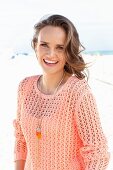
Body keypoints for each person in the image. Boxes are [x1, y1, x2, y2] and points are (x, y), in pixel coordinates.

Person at [13, 14, 110, 170]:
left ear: (69, 51)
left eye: (60, 47)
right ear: (35, 45)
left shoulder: (78, 92)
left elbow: (97, 153)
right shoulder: (25, 87)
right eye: (44, 44)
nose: (51, 54)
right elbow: (20, 139)